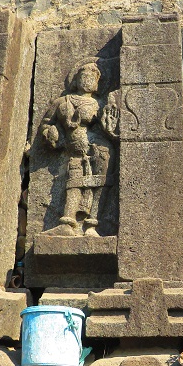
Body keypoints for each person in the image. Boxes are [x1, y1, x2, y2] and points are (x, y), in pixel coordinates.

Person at [39, 60, 118, 236]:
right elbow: (46, 123)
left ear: (97, 83)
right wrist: (50, 132)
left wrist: (109, 125)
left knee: (99, 184)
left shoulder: (99, 104)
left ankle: (92, 225)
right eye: (83, 76)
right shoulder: (61, 102)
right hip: (73, 149)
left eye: (92, 77)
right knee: (73, 182)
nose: (87, 80)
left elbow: (109, 128)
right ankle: (67, 223)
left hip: (100, 149)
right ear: (75, 80)